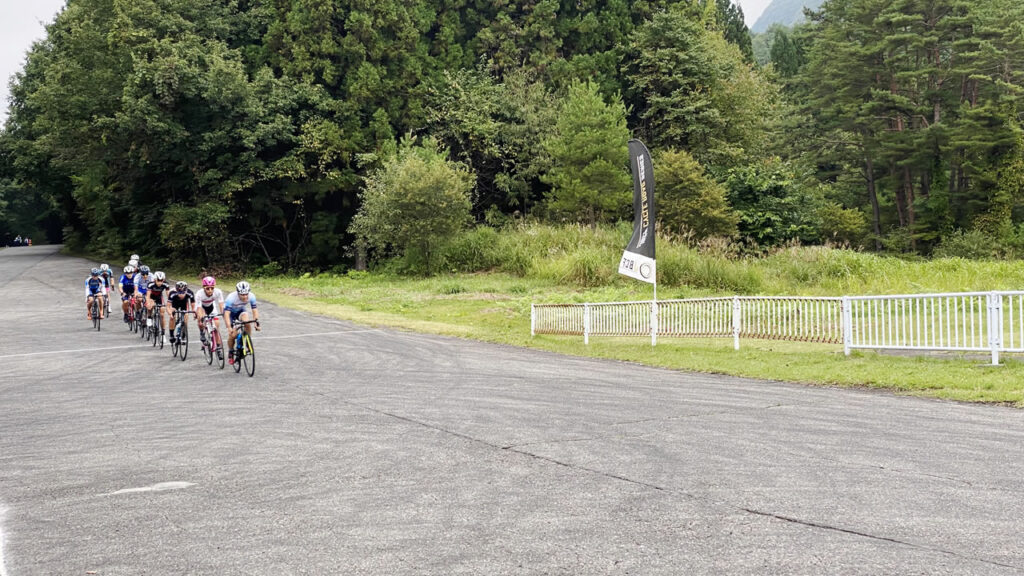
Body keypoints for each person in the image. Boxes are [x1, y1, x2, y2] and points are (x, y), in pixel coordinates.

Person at [222, 281, 260, 364]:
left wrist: (256, 323)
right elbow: (226, 314)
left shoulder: (252, 296)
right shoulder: (231, 298)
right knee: (233, 335)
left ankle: (247, 341)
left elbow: (254, 310)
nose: (245, 296)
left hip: (241, 311)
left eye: (246, 294)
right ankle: (231, 352)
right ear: (238, 293)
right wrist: (229, 327)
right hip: (230, 314)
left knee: (247, 322)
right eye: (242, 295)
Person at [196, 276, 225, 343]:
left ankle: (218, 347)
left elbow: (221, 305)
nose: (210, 290)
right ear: (204, 288)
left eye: (212, 288)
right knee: (200, 320)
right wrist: (200, 318)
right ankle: (202, 332)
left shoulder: (218, 292)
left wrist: (223, 314)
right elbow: (199, 308)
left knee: (217, 327)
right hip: (202, 307)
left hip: (211, 306)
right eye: (207, 288)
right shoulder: (199, 294)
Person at [145, 271, 172, 342]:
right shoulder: (150, 284)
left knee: (162, 313)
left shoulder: (166, 284)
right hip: (151, 297)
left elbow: (168, 295)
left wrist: (169, 304)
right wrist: (148, 303)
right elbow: (147, 296)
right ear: (154, 279)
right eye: (158, 280)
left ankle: (163, 334)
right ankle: (149, 317)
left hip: (159, 298)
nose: (160, 282)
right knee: (150, 305)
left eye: (161, 280)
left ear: (163, 280)